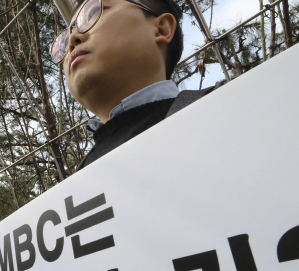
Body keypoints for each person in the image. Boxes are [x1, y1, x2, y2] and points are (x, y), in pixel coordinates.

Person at [51, 0, 214, 170]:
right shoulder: (82, 177)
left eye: (92, 14)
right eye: (65, 40)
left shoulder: (220, 108)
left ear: (161, 29)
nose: (72, 40)